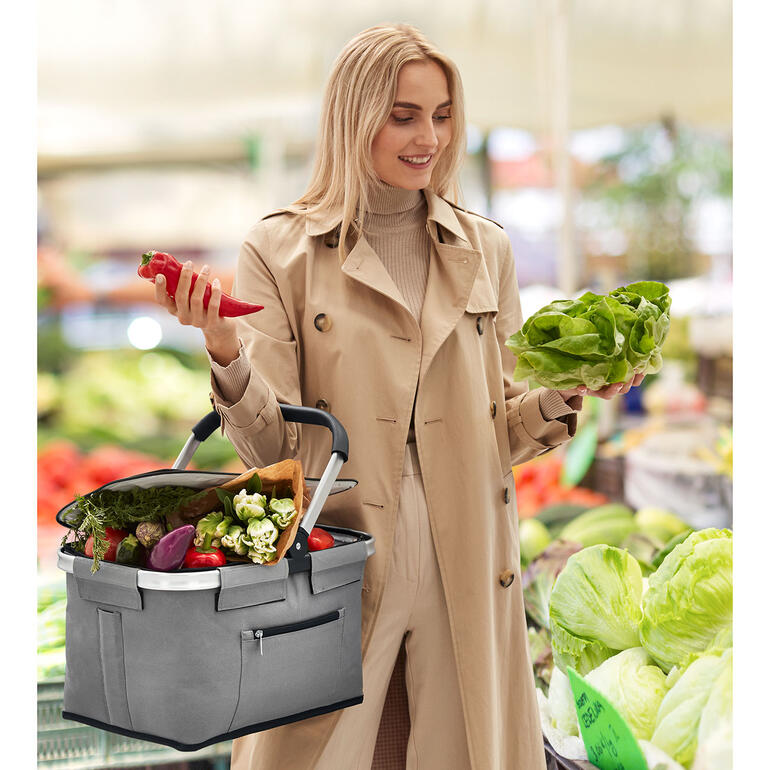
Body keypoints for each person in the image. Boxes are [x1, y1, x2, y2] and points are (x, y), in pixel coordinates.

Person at [152, 23, 643, 770]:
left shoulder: (485, 249)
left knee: (462, 744)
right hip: (339, 546)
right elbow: (270, 451)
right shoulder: (279, 250)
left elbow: (503, 428)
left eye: (442, 116)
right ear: (354, 118)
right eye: (404, 116)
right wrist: (224, 348)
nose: (429, 139)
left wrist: (567, 389)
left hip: (466, 553)